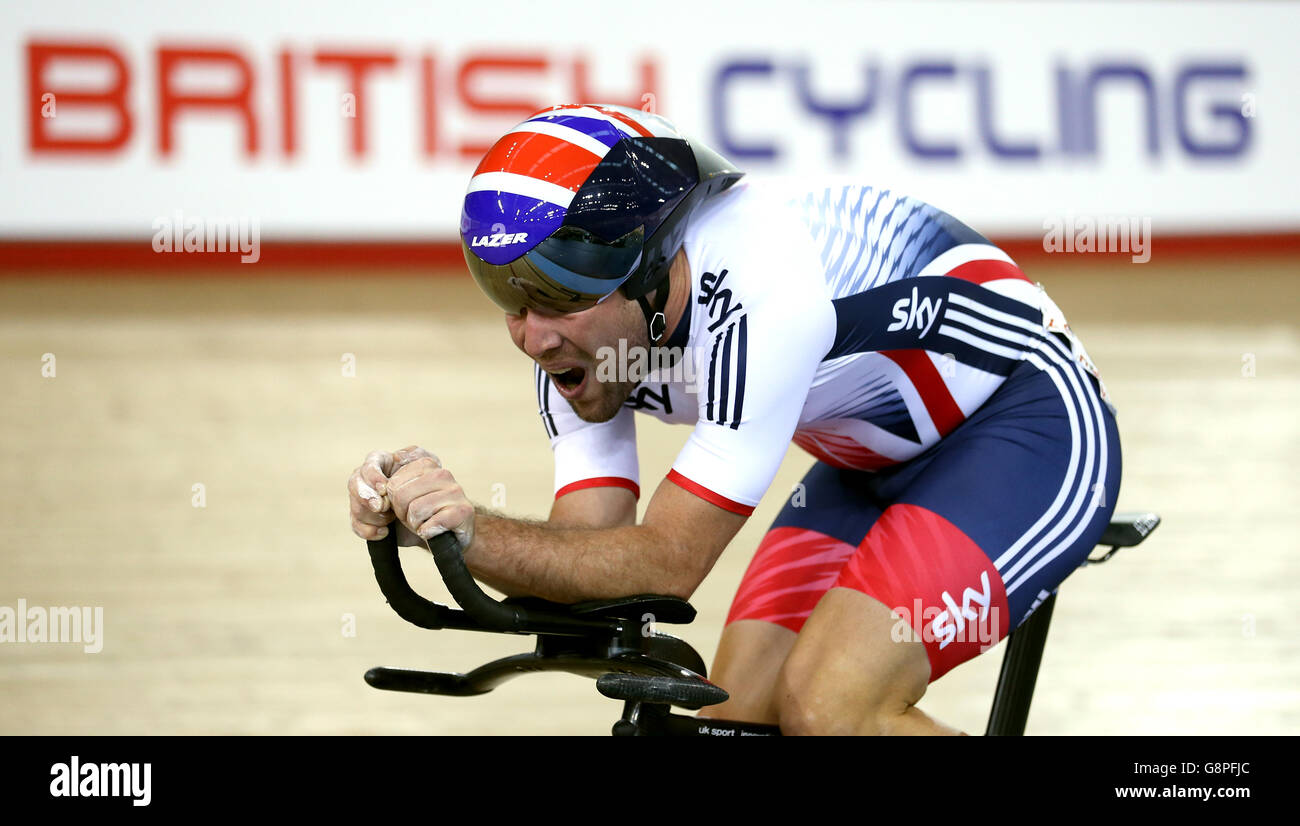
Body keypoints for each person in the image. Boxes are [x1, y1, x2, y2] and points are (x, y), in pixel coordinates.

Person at [346, 103, 1122, 735]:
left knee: (831, 709)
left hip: (1028, 421)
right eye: (508, 299)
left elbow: (664, 563)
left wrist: (478, 532)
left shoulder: (765, 286)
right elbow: (588, 556)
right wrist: (436, 530)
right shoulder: (577, 345)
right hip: (869, 462)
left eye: (554, 298)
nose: (531, 334)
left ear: (649, 275)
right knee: (735, 721)